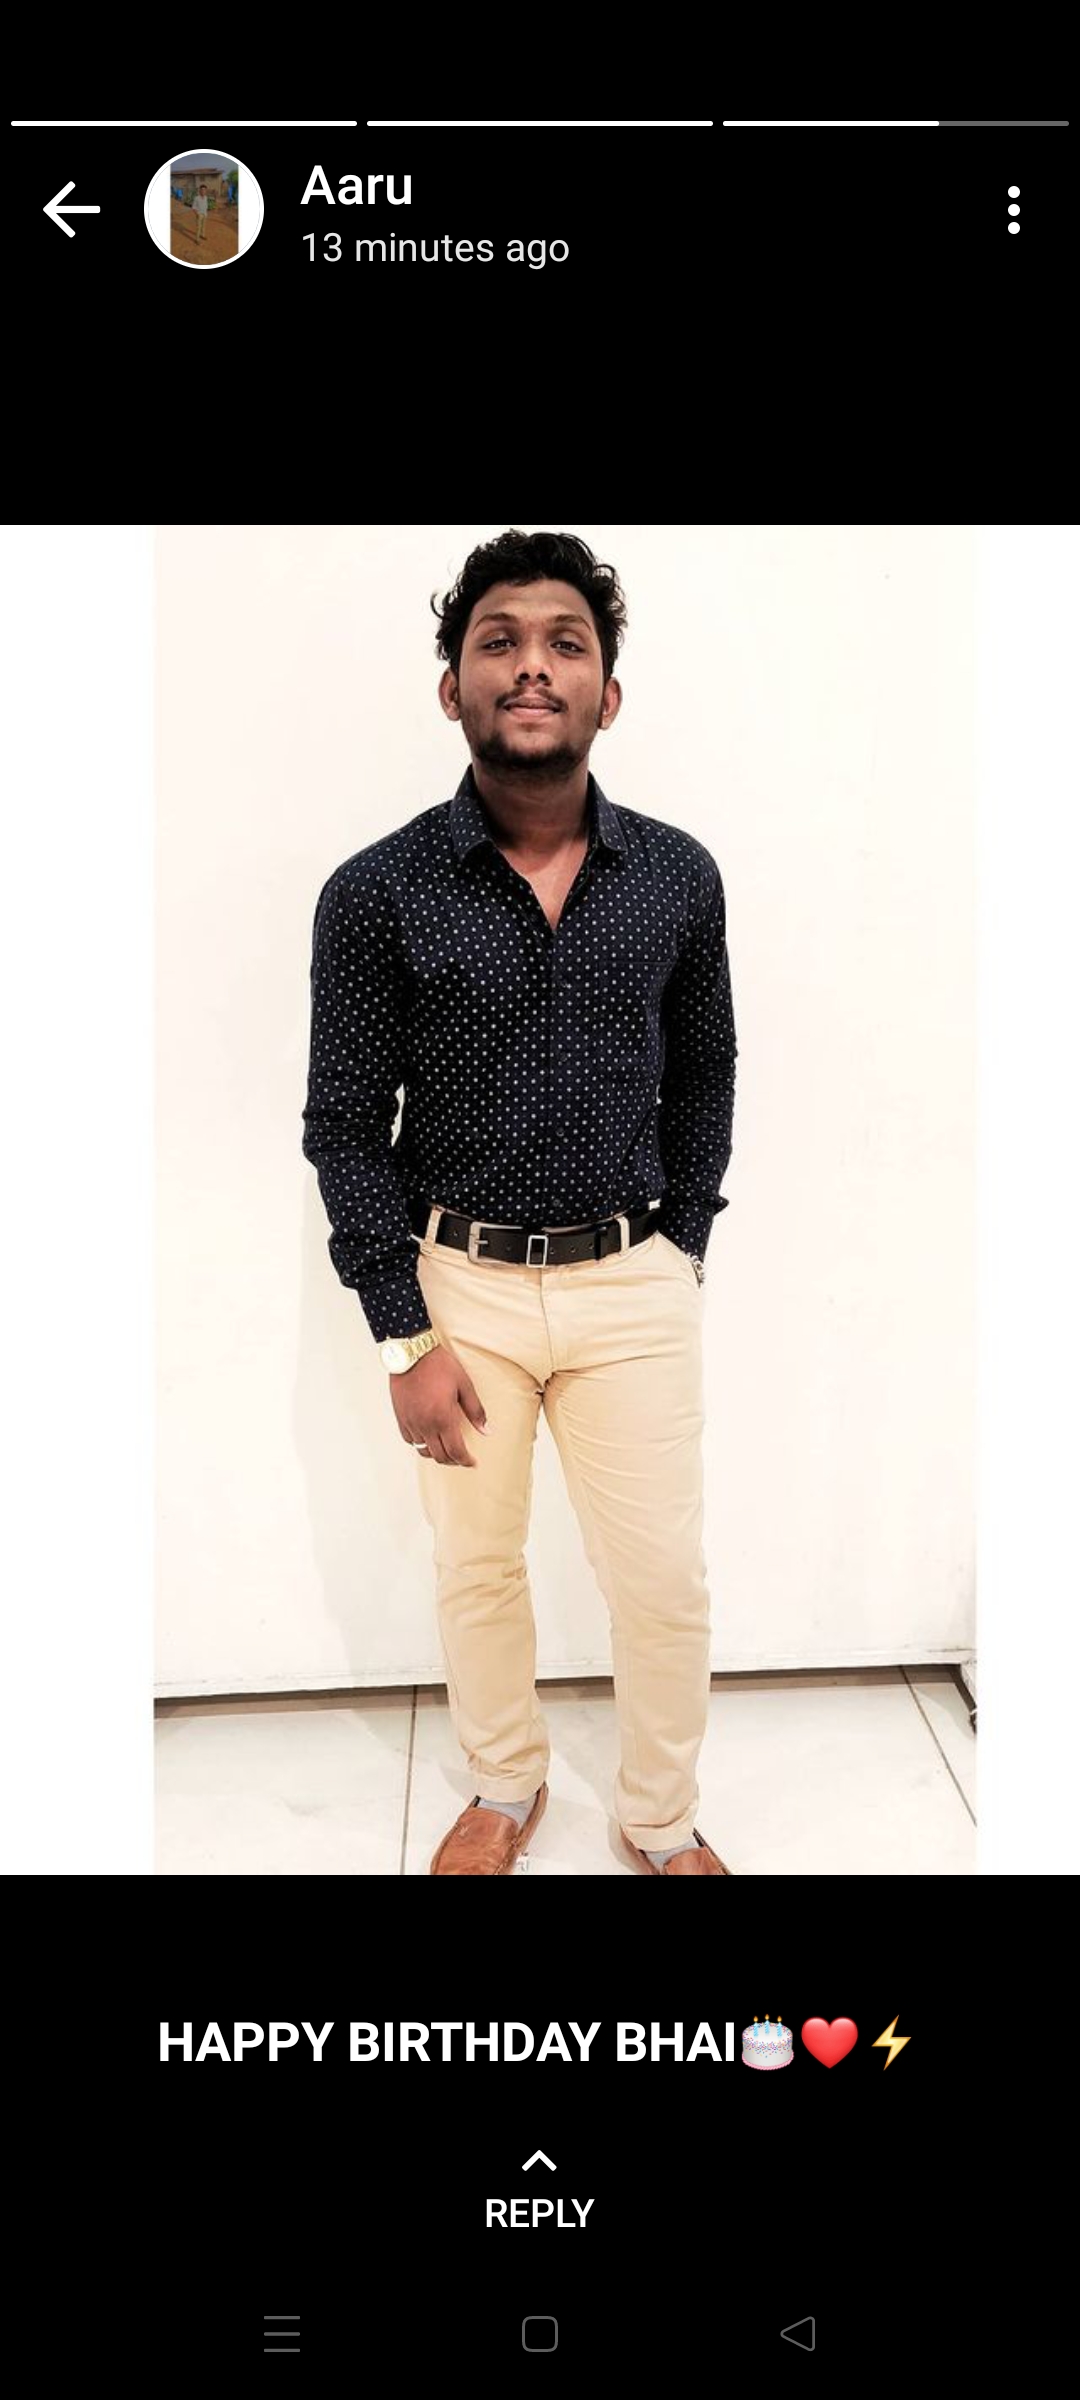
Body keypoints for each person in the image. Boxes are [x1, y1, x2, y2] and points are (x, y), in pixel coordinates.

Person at [301, 530, 738, 1876]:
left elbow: (707, 1067)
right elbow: (343, 1126)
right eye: (498, 641)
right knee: (476, 1567)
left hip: (631, 1283)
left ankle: (659, 1818)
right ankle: (504, 1782)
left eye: (565, 643)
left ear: (610, 691)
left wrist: (682, 1246)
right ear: (454, 688)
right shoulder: (375, 893)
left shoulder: (677, 876)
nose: (532, 666)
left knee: (660, 1581)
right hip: (461, 1290)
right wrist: (404, 1333)